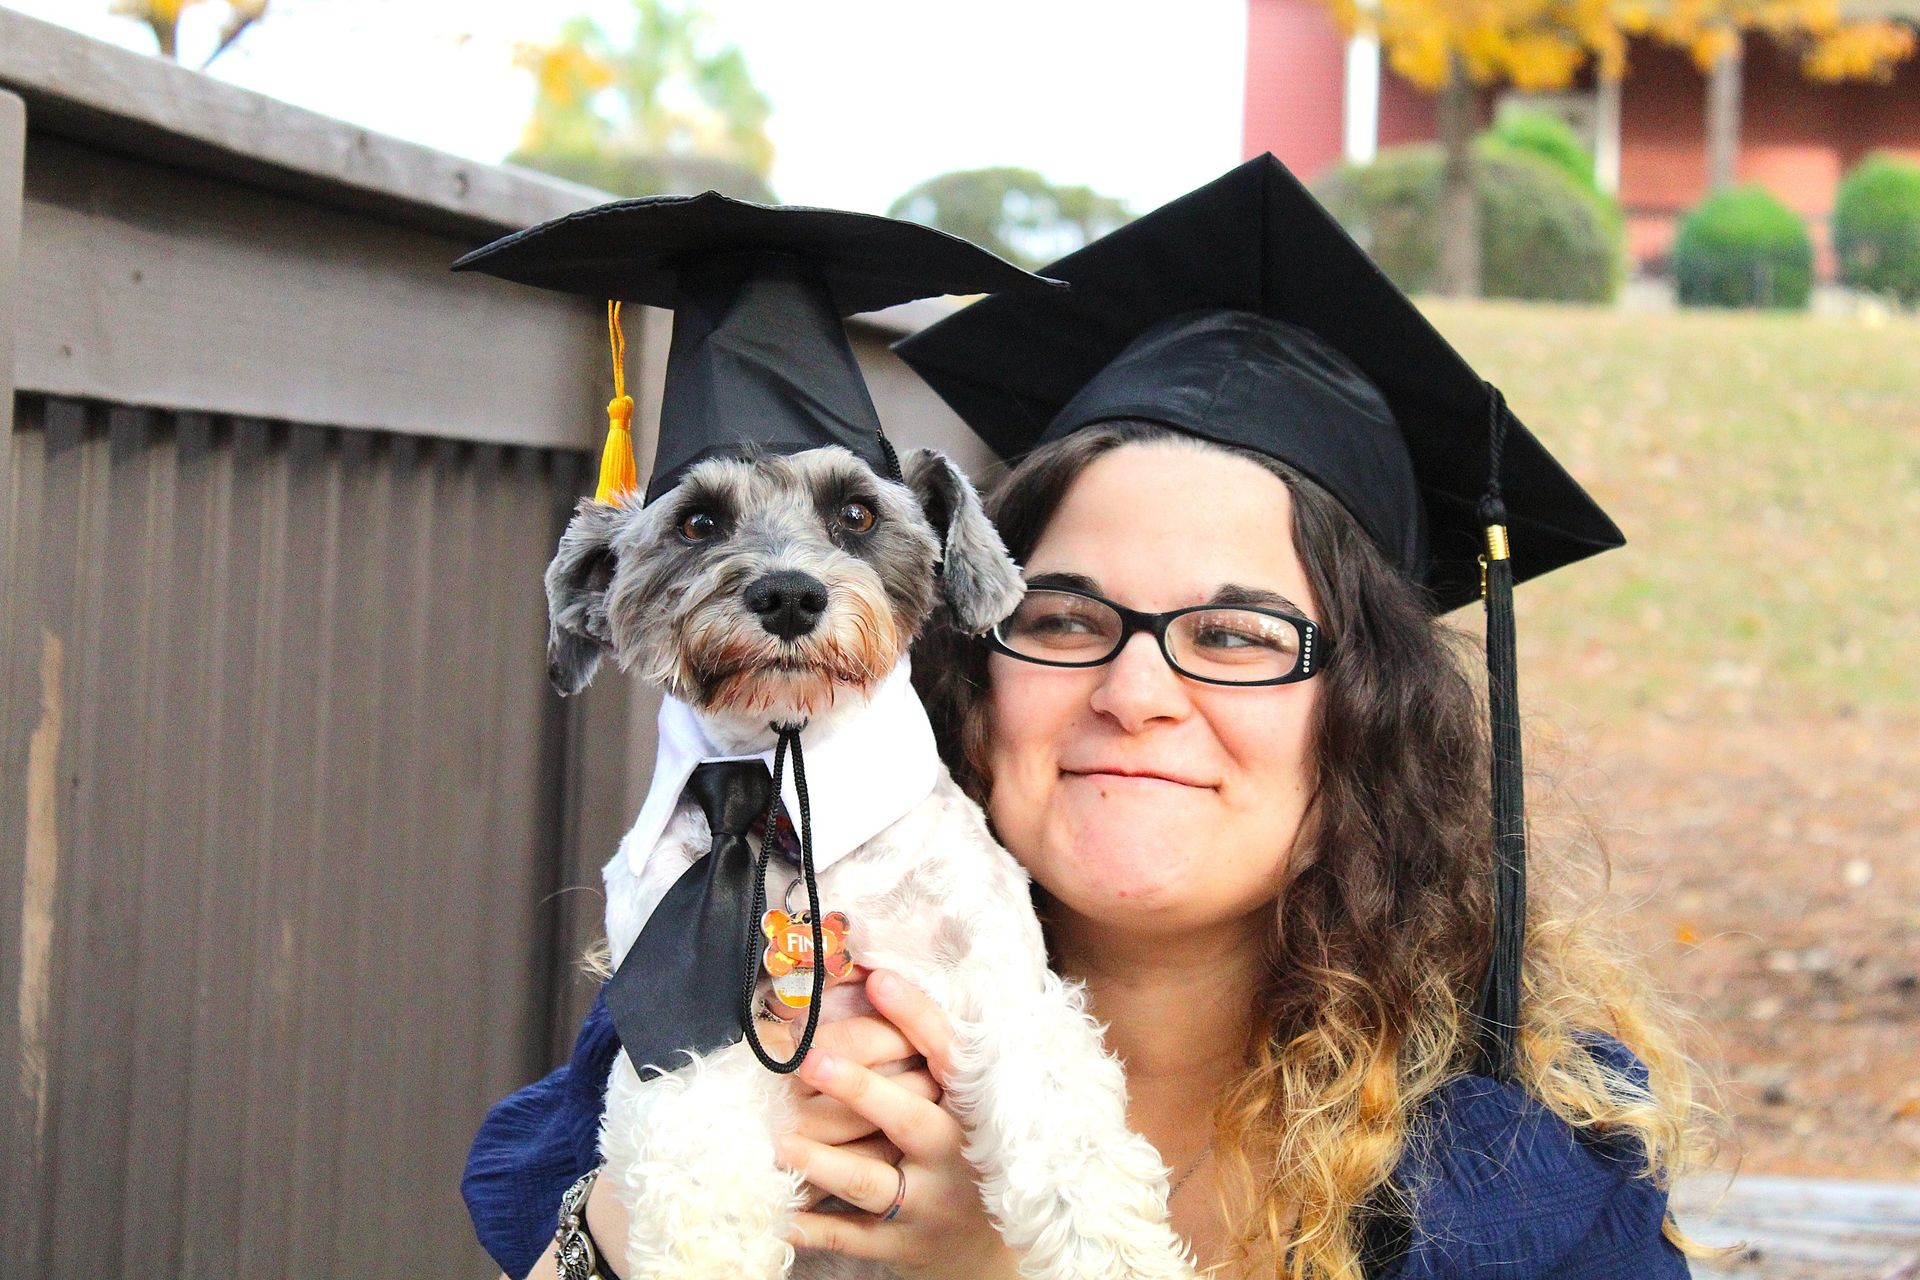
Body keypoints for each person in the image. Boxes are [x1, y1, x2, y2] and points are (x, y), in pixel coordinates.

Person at [464, 156, 1717, 1279]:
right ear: (963, 647)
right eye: (1065, 618)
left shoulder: (1519, 1179)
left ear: (1373, 722)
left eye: (1236, 635)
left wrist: (985, 1265)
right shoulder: (733, 978)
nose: (1136, 691)